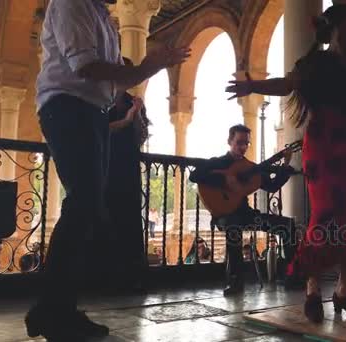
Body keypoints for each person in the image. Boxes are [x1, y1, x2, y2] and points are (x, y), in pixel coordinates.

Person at [226, 4, 346, 323]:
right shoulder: (315, 64)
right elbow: (287, 84)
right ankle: (313, 290)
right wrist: (252, 86)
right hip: (326, 146)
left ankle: (343, 293)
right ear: (338, 26)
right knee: (324, 218)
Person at [25, 0, 190, 340]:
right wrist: (146, 68)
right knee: (84, 204)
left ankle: (57, 308)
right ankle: (53, 310)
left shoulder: (101, 16)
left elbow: (111, 77)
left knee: (86, 207)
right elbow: (86, 66)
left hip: (89, 113)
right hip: (68, 108)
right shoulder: (72, 3)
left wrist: (146, 70)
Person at [189, 124, 297, 296]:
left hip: (246, 215)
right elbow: (194, 176)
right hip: (223, 216)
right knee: (233, 226)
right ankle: (236, 282)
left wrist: (286, 163)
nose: (243, 147)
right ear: (229, 141)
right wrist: (225, 180)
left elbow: (272, 186)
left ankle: (293, 276)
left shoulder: (251, 167)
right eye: (239, 142)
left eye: (246, 143)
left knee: (287, 225)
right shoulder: (218, 162)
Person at [99, 61, 150, 290]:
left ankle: (130, 277)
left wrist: (136, 115)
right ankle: (104, 277)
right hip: (106, 165)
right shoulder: (102, 100)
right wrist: (127, 119)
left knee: (128, 217)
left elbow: (140, 137)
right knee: (105, 214)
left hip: (128, 166)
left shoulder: (134, 102)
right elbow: (100, 131)